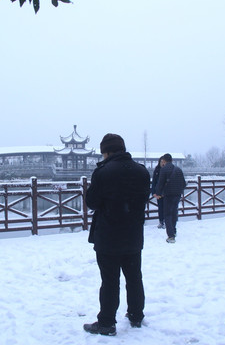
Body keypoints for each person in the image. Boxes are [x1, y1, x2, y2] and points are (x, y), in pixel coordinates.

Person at [83, 133, 151, 336]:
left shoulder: (103, 172)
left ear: (106, 151)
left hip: (109, 235)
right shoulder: (141, 171)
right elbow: (143, 199)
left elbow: (92, 202)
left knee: (110, 280)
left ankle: (106, 323)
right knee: (134, 277)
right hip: (133, 234)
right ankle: (136, 315)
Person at [154, 153, 186, 243]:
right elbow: (183, 183)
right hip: (177, 194)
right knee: (174, 212)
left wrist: (158, 193)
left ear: (164, 161)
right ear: (172, 160)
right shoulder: (178, 170)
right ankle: (174, 231)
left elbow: (160, 184)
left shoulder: (164, 170)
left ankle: (171, 236)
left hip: (168, 195)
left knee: (167, 214)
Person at [151, 156, 165, 229]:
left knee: (166, 207)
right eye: (161, 162)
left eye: (163, 162)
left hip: (166, 193)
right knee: (160, 207)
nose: (162, 163)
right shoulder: (157, 170)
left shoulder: (167, 170)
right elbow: (154, 182)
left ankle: (166, 221)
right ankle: (161, 221)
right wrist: (153, 192)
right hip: (158, 193)